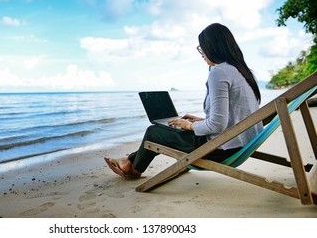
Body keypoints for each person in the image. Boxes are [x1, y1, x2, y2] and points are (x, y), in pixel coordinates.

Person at [104, 23, 264, 180]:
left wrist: (190, 125)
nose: (201, 53)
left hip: (221, 149)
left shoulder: (219, 72)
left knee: (154, 131)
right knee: (174, 129)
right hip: (241, 143)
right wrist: (202, 121)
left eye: (202, 48)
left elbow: (217, 125)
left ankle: (133, 169)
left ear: (213, 47)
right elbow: (238, 114)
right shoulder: (241, 71)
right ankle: (128, 161)